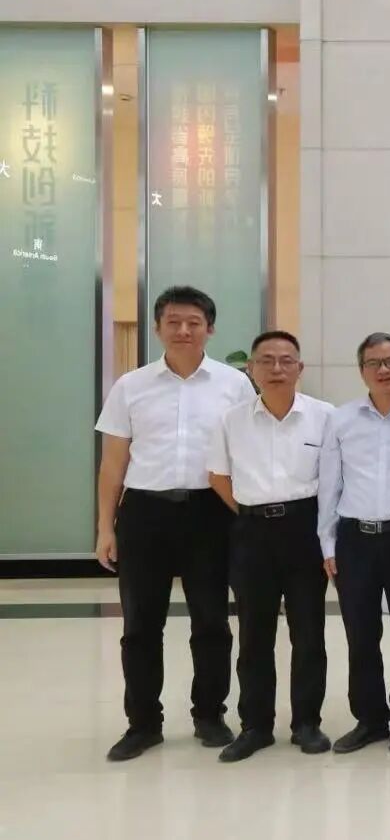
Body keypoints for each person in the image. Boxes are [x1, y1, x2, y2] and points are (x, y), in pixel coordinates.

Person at [94, 285, 256, 762]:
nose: (183, 330)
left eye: (193, 322)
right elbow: (113, 463)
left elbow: (246, 455)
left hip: (210, 513)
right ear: (158, 327)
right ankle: (143, 723)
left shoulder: (234, 385)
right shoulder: (131, 386)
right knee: (140, 625)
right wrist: (105, 527)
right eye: (173, 322)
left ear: (210, 328)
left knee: (211, 621)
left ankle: (210, 715)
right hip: (145, 514)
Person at [206, 331, 334, 762]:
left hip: (305, 530)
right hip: (252, 533)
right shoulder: (231, 420)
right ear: (252, 369)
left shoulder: (325, 416)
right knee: (254, 636)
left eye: (286, 360)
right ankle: (255, 726)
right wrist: (252, 511)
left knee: (309, 633)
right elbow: (218, 477)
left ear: (300, 368)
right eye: (266, 361)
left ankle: (307, 723)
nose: (276, 369)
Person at [319, 333, 390, 754]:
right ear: (361, 370)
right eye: (373, 363)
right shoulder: (341, 419)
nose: (383, 370)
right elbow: (329, 485)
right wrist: (327, 544)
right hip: (355, 540)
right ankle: (369, 719)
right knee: (360, 634)